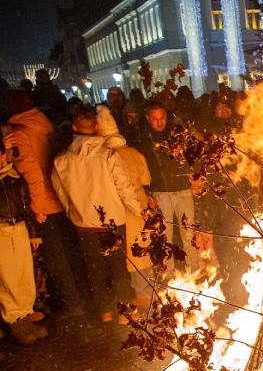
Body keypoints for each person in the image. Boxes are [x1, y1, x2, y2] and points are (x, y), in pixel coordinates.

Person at [51, 106, 142, 322]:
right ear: (96, 126)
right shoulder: (108, 155)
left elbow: (62, 194)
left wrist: (75, 214)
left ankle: (105, 311)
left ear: (74, 127)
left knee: (95, 269)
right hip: (113, 222)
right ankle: (125, 311)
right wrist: (140, 210)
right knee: (118, 266)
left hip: (85, 224)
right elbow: (124, 187)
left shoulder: (61, 160)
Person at [2, 89, 86, 316]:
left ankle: (71, 302)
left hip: (45, 204)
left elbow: (32, 174)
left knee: (56, 259)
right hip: (60, 197)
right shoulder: (44, 124)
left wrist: (36, 208)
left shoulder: (20, 133)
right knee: (69, 252)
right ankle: (81, 297)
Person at [96, 105, 154, 308]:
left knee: (132, 255)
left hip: (121, 209)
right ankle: (148, 290)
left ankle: (142, 294)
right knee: (143, 250)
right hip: (141, 206)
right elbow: (146, 178)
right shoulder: (133, 153)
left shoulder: (103, 159)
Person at [138, 101, 198, 271]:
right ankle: (169, 275)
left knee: (188, 233)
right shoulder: (143, 140)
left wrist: (193, 177)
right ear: (148, 119)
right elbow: (141, 169)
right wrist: (147, 192)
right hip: (161, 193)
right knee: (166, 236)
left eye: (162, 117)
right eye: (154, 118)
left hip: (183, 190)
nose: (159, 122)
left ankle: (194, 270)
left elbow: (191, 157)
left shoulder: (177, 135)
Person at [0, 142, 47, 344]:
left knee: (23, 272)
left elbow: (26, 206)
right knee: (8, 276)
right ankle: (14, 319)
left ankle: (25, 314)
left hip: (18, 228)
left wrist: (33, 233)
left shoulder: (14, 178)